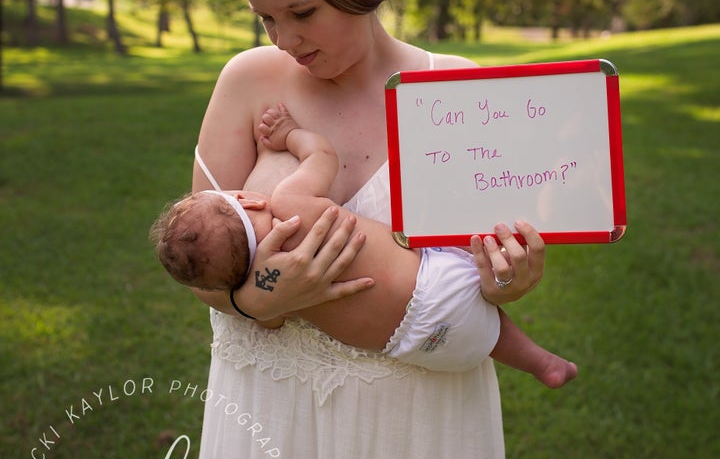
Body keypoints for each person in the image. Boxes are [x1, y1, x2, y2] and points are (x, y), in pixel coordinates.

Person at [179, 0, 548, 459]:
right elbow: (204, 263)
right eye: (267, 19)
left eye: (303, 14)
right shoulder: (247, 84)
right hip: (270, 406)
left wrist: (508, 275)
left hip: (412, 419)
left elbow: (479, 269)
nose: (285, 39)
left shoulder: (455, 91)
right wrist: (264, 298)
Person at [153, 102, 576, 386]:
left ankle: (541, 364)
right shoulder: (288, 203)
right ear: (245, 198)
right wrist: (291, 135)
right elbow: (323, 156)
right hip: (438, 284)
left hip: (421, 348)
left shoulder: (276, 290)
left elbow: (268, 321)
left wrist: (262, 297)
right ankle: (540, 361)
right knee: (467, 265)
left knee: (481, 330)